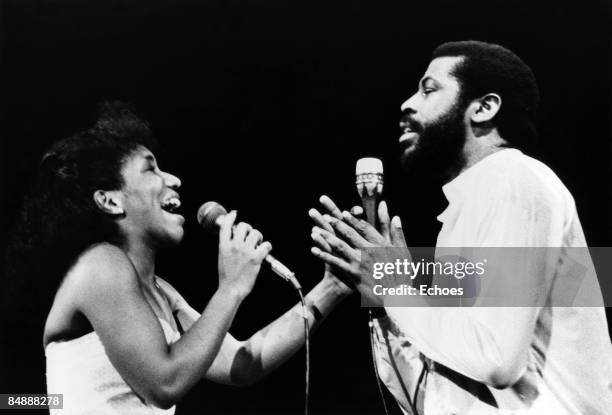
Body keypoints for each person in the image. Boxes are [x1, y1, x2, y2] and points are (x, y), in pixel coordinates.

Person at [308, 41, 612, 414]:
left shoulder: (515, 180)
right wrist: (384, 299)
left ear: (484, 107)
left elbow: (496, 361)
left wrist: (395, 289)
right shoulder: (470, 208)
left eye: (428, 88)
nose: (407, 103)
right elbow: (441, 395)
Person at [6, 102, 350, 414]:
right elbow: (164, 384)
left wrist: (332, 287)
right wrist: (230, 288)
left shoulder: (160, 291)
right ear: (110, 201)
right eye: (151, 169)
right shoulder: (101, 264)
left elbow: (241, 364)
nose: (174, 179)